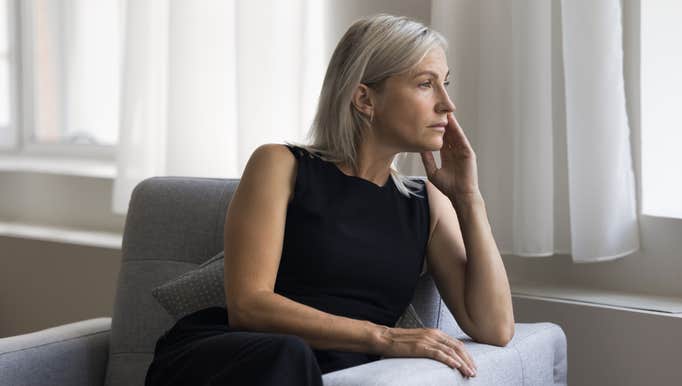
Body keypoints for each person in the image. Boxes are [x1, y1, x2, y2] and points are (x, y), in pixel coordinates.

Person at [144, 13, 514, 386]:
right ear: (365, 99)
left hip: (329, 372)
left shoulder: (428, 203)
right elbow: (248, 305)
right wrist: (383, 337)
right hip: (238, 358)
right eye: (425, 84)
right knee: (289, 355)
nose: (447, 105)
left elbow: (495, 328)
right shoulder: (279, 165)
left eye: (445, 84)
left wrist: (468, 198)